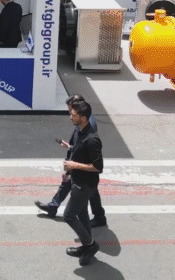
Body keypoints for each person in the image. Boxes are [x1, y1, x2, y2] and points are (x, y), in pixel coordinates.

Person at [35, 94, 106, 227]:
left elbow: (91, 155)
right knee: (81, 189)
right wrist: (70, 148)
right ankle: (54, 206)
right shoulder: (81, 121)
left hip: (83, 172)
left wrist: (73, 164)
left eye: (72, 111)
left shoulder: (88, 126)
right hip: (78, 168)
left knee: (89, 193)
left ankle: (95, 220)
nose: (70, 115)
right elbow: (79, 145)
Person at [61, 99, 104, 266]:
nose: (70, 117)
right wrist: (69, 167)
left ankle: (91, 245)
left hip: (85, 185)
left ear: (84, 118)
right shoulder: (79, 131)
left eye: (73, 114)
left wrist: (74, 165)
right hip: (77, 180)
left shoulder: (92, 139)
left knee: (68, 215)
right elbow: (79, 152)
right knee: (82, 213)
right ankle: (87, 246)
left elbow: (98, 167)